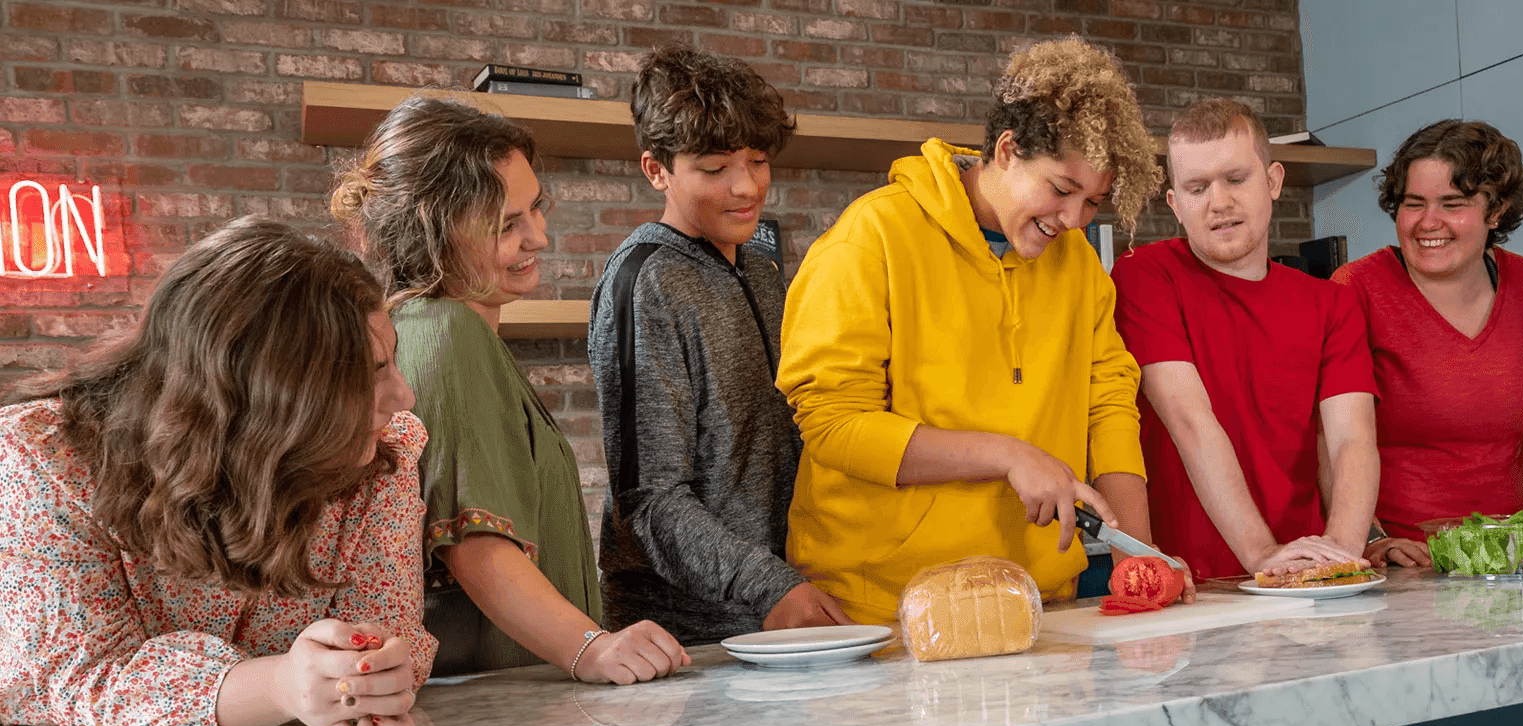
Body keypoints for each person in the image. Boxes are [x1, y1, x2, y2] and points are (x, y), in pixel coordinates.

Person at [0, 217, 432, 726]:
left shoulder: (384, 451)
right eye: (369, 372)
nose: (404, 396)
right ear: (266, 394)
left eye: (392, 362)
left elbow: (393, 632)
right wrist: (282, 686)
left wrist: (373, 671)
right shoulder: (45, 459)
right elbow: (93, 683)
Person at [777, 38, 1171, 624]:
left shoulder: (1080, 267)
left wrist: (1139, 558)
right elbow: (834, 425)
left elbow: (1108, 403)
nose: (1072, 220)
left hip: (1035, 604)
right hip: (880, 609)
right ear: (1007, 150)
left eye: (1094, 203)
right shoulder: (871, 238)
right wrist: (1007, 456)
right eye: (1062, 189)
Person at [333, 96, 689, 682]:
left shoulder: (444, 333)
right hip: (496, 702)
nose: (539, 238)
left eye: (535, 209)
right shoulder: (446, 334)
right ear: (435, 235)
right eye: (506, 224)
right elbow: (472, 544)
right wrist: (592, 649)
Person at [588, 43, 849, 645]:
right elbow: (648, 498)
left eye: (757, 161)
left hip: (782, 608)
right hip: (685, 632)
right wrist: (767, 585)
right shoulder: (644, 280)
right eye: (713, 170)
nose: (746, 187)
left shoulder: (760, 270)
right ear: (657, 170)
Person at [1112, 98, 1378, 581]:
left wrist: (1339, 556)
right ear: (1174, 204)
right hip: (1192, 582)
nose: (1219, 201)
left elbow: (1352, 440)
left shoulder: (1332, 304)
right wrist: (1260, 555)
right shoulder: (1145, 278)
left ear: (1273, 181)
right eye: (1197, 187)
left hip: (1303, 576)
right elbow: (1190, 422)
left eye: (1236, 179)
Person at [1330, 120, 1523, 566]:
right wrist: (1370, 540)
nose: (1428, 223)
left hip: (1507, 559)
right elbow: (1325, 441)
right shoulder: (1355, 289)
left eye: (1453, 204)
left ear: (1496, 210)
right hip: (1401, 566)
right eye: (1414, 204)